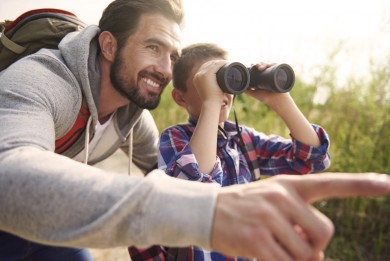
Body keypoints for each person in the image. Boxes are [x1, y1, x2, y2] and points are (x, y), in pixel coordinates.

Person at [0, 0, 389, 261]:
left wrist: (275, 98)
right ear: (107, 45)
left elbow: (169, 174)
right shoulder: (44, 81)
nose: (166, 69)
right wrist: (209, 209)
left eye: (172, 55)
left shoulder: (133, 119)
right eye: (152, 47)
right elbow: (8, 176)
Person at [128, 43, 331, 260]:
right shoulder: (175, 138)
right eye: (206, 83)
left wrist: (279, 99)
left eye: (227, 79)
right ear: (180, 98)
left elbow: (311, 159)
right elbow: (193, 188)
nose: (220, 92)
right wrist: (211, 103)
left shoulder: (244, 139)